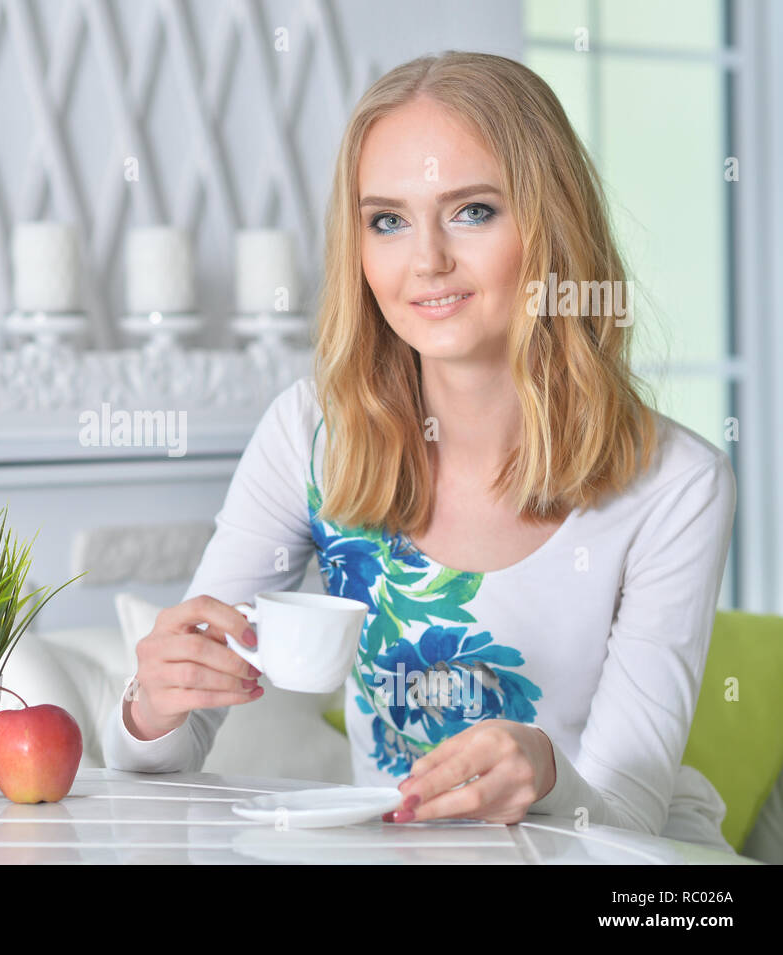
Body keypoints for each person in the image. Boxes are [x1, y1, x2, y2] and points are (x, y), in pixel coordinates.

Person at [100, 50, 737, 852]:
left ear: (551, 223)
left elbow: (625, 815)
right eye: (388, 220)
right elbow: (158, 754)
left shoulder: (676, 484)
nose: (426, 260)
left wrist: (544, 770)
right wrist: (152, 705)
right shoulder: (310, 434)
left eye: (472, 211)